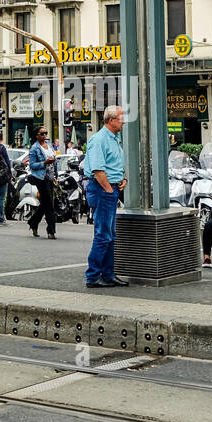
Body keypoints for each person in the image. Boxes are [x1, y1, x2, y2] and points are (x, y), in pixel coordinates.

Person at [82, 104, 128, 288]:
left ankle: (108, 273)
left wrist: (122, 178)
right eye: (121, 118)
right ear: (111, 121)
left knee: (110, 234)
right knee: (103, 234)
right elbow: (97, 169)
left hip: (109, 188)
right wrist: (109, 189)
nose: (123, 121)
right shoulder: (99, 139)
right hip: (102, 189)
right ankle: (93, 276)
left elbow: (113, 164)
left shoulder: (114, 138)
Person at [27, 125, 58, 239]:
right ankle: (51, 231)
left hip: (49, 177)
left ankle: (33, 222)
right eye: (42, 133)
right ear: (36, 136)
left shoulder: (49, 145)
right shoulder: (34, 148)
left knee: (45, 203)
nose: (45, 135)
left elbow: (54, 161)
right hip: (40, 178)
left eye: (46, 133)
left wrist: (55, 175)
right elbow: (32, 165)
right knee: (49, 204)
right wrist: (44, 162)